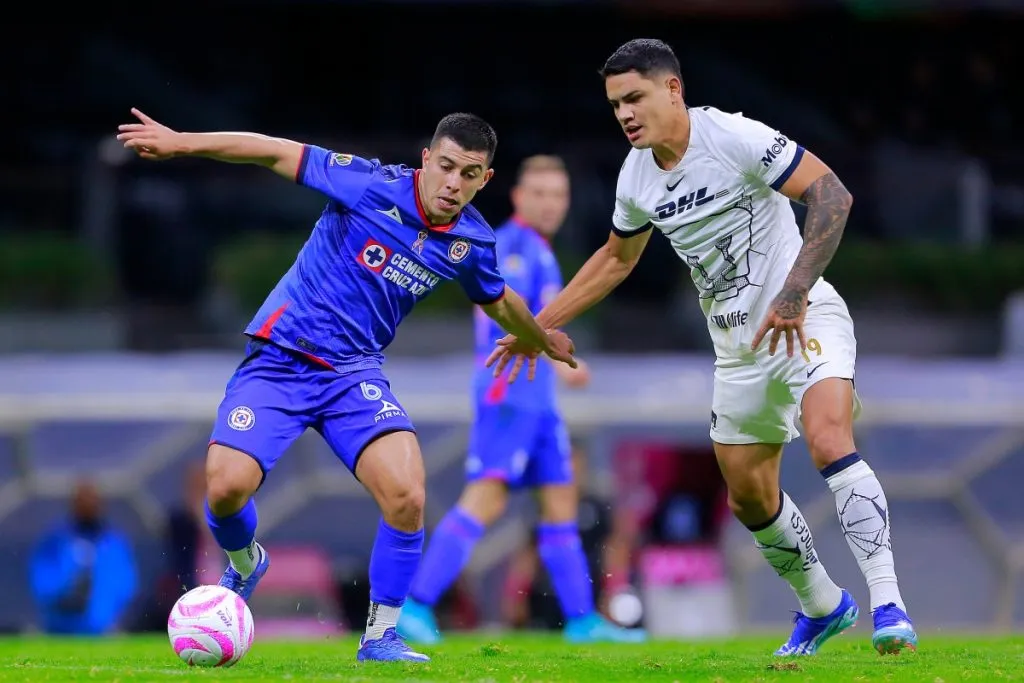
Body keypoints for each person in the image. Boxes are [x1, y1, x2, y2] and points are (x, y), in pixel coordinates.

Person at [487, 39, 917, 657]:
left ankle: (888, 603)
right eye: (615, 106)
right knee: (747, 493)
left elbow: (832, 196)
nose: (625, 114)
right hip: (738, 349)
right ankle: (823, 604)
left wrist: (794, 293)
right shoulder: (636, 176)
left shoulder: (733, 137)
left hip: (804, 318)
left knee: (829, 438)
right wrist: (537, 327)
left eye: (634, 98)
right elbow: (615, 257)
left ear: (672, 89)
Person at [117, 109, 577, 663]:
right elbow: (273, 149)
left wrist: (540, 337)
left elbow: (497, 299)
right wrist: (183, 143)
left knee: (407, 494)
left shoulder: (473, 240)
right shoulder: (369, 183)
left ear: (486, 180)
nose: (454, 184)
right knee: (225, 488)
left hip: (354, 373)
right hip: (281, 359)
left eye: (470, 174)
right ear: (427, 160)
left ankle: (380, 636)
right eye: (447, 167)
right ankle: (245, 562)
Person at [397, 156, 643, 644]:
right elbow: (502, 322)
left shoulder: (542, 252)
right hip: (508, 394)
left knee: (560, 507)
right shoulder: (507, 246)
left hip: (540, 401)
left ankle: (581, 621)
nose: (551, 204)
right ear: (518, 197)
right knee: (485, 500)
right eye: (541, 194)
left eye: (559, 195)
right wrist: (555, 357)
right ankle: (414, 605)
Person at [29, 480, 138, 635]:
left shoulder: (114, 542)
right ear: (73, 504)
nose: (88, 505)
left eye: (92, 500)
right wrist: (63, 594)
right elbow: (42, 577)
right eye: (83, 500)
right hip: (60, 627)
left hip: (101, 629)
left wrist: (109, 613)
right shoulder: (56, 540)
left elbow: (126, 584)